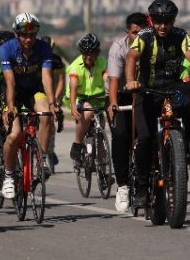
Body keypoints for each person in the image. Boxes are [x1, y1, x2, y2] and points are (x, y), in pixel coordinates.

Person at [124, 0, 190, 207]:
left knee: (189, 102)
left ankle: (185, 141)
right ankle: (142, 189)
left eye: (167, 21)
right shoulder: (144, 36)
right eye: (158, 22)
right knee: (144, 139)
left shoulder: (181, 36)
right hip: (147, 90)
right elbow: (131, 57)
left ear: (173, 21)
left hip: (173, 88)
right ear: (152, 21)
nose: (162, 26)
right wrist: (131, 81)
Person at [0, 13, 60, 199]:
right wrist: (10, 107)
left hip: (33, 91)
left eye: (32, 35)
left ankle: (39, 159)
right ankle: (8, 175)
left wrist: (53, 102)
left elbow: (46, 77)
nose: (28, 39)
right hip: (13, 93)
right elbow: (9, 81)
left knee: (47, 114)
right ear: (16, 34)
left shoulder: (43, 48)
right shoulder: (6, 49)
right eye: (24, 35)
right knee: (15, 134)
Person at [106, 12, 148, 212]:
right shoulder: (118, 48)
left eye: (143, 33)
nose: (138, 38)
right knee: (121, 136)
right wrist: (113, 102)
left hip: (144, 94)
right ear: (127, 32)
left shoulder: (151, 43)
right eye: (135, 33)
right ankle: (123, 185)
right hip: (121, 95)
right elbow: (114, 79)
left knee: (147, 135)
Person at [68, 34, 108, 164]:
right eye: (85, 53)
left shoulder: (102, 63)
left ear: (97, 52)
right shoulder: (76, 65)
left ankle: (103, 174)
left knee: (100, 137)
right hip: (79, 96)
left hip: (98, 98)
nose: (88, 57)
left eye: (92, 53)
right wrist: (73, 106)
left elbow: (107, 79)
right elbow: (73, 86)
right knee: (88, 112)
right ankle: (77, 143)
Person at [41, 35, 66, 165]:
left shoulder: (57, 61)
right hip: (40, 93)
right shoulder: (37, 58)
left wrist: (55, 97)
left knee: (51, 119)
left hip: (54, 92)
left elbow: (61, 81)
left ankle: (51, 148)